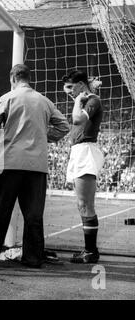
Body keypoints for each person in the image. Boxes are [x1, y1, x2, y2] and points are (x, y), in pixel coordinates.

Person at [0, 64, 70, 268]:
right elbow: (64, 127)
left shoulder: (8, 98)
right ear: (29, 78)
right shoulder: (44, 101)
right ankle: (33, 257)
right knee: (33, 214)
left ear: (13, 79)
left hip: (9, 161)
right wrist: (42, 137)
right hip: (36, 166)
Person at [62, 70, 104, 264]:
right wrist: (78, 98)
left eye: (71, 87)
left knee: (86, 204)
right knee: (81, 204)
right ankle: (89, 250)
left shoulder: (92, 100)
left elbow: (78, 119)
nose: (68, 92)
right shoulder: (87, 99)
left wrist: (78, 100)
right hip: (79, 151)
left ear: (80, 85)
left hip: (86, 151)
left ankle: (91, 251)